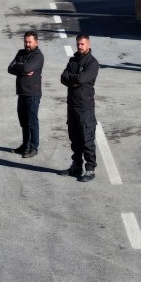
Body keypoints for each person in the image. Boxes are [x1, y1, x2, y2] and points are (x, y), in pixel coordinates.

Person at [60, 34, 99, 182]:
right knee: (74, 137)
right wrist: (74, 80)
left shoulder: (92, 63)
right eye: (78, 44)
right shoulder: (73, 60)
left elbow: (83, 79)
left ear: (88, 44)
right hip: (72, 105)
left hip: (85, 107)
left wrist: (73, 79)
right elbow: (63, 77)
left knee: (87, 138)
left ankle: (90, 169)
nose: (80, 47)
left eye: (82, 44)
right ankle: (76, 165)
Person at [7, 31, 44, 158]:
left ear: (36, 42)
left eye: (30, 42)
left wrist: (20, 67)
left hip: (32, 93)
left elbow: (27, 68)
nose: (27, 44)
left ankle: (33, 147)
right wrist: (21, 67)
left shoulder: (38, 56)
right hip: (21, 92)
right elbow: (10, 68)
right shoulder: (21, 53)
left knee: (32, 121)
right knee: (23, 120)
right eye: (26, 42)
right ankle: (25, 144)